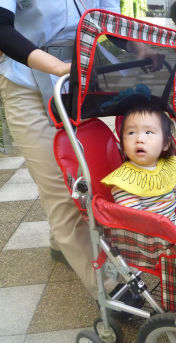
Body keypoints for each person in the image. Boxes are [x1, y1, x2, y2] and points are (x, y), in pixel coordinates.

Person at [0, 2, 156, 306]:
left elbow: (108, 22)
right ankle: (109, 286)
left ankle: (61, 242)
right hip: (29, 83)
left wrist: (138, 48)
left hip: (77, 80)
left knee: (89, 172)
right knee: (63, 188)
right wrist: (56, 66)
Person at [101, 102, 176, 236]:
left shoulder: (168, 167)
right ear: (122, 143)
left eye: (148, 132)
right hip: (155, 239)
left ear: (165, 144)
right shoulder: (125, 181)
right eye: (131, 132)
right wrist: (170, 231)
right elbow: (136, 222)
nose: (139, 139)